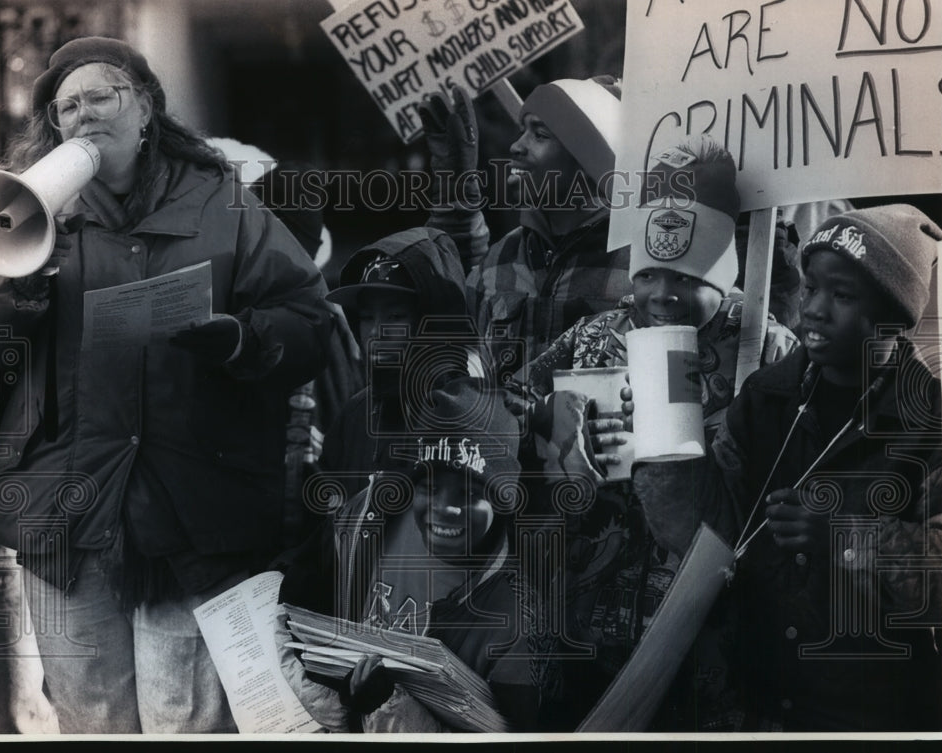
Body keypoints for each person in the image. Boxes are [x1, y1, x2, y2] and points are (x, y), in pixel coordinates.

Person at [0, 36, 334, 733]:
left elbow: (308, 319)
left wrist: (242, 340)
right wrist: (23, 279)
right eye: (67, 107)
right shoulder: (40, 208)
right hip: (66, 513)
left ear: (147, 109)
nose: (83, 114)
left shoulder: (223, 203)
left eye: (101, 95)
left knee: (182, 717)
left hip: (189, 512)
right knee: (91, 716)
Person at [506, 136, 799, 730]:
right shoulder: (595, 336)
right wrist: (546, 416)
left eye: (686, 280)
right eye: (648, 275)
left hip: (710, 635)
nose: (662, 295)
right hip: (586, 619)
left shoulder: (768, 350)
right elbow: (505, 402)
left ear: (725, 278)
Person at [634, 204, 942, 731]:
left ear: (892, 316)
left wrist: (844, 537)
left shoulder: (930, 418)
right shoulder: (767, 396)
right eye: (809, 288)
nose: (813, 311)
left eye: (842, 295)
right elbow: (707, 534)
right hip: (761, 702)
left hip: (872, 712)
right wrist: (659, 434)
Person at [275, 376, 540, 732]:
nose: (446, 509)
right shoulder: (369, 515)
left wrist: (391, 708)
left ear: (503, 500)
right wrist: (336, 704)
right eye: (429, 486)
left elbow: (510, 739)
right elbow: (297, 600)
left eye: (469, 492)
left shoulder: (514, 617)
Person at [423, 77, 629, 384]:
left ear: (588, 161)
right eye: (523, 130)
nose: (516, 146)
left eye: (540, 135)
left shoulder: (641, 267)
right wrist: (455, 204)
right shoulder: (499, 259)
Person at [314, 226, 476, 500]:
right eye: (366, 317)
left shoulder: (468, 416)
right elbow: (328, 531)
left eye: (395, 316)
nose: (375, 332)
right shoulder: (355, 414)